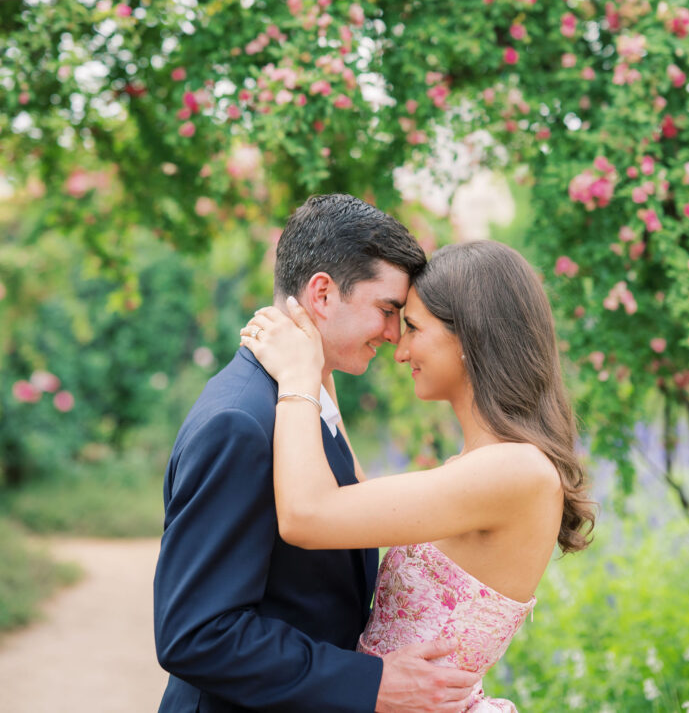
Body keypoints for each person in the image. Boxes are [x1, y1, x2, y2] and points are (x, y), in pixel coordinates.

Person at [154, 194, 481, 713]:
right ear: (323, 294)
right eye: (387, 310)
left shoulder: (305, 401)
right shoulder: (240, 423)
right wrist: (369, 682)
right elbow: (197, 634)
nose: (396, 335)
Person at [241, 239, 596, 712]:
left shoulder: (516, 470)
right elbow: (363, 501)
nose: (400, 349)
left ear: (470, 338)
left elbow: (308, 515)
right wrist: (318, 363)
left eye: (413, 327)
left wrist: (295, 381)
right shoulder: (487, 466)